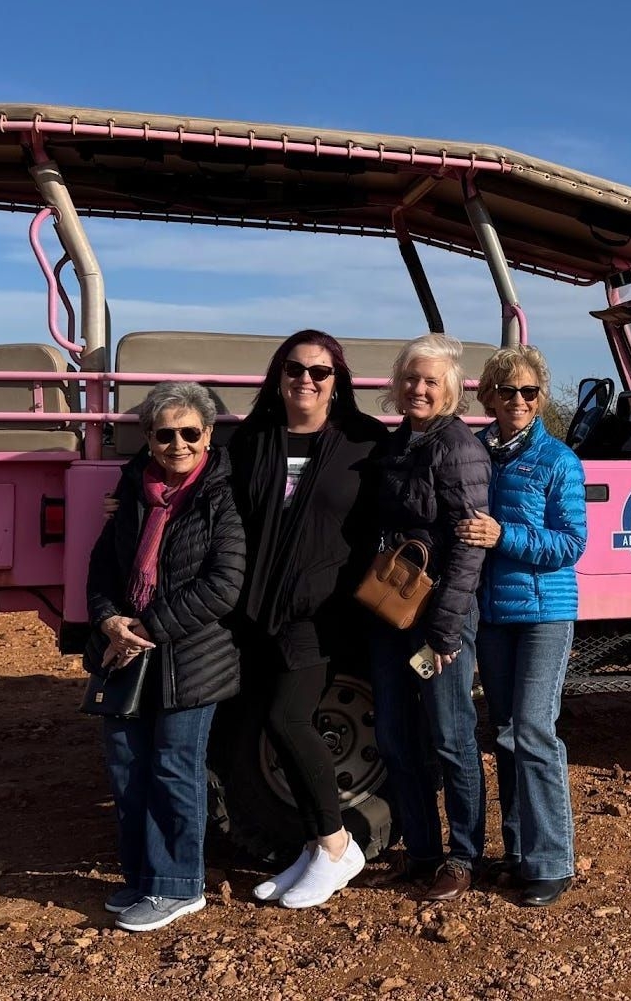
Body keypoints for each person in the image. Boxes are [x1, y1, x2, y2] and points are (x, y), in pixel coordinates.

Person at [228, 331, 389, 909]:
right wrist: (128, 495)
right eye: (295, 369)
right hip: (258, 609)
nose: (307, 380)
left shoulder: (365, 441)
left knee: (288, 718)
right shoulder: (251, 440)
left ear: (337, 381)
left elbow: (411, 500)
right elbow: (204, 495)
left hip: (325, 610)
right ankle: (314, 847)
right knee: (273, 726)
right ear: (278, 375)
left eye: (320, 372)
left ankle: (337, 842)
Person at [86, 381, 245, 933]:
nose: (176, 443)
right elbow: (103, 567)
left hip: (191, 658)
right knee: (128, 768)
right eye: (164, 433)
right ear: (149, 439)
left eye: (189, 432)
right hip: (126, 652)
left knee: (175, 768)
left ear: (207, 437)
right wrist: (109, 619)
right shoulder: (132, 493)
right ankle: (140, 876)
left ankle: (178, 887)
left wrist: (144, 627)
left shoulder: (223, 495)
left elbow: (224, 585)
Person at [456, 346, 586, 907]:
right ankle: (518, 852)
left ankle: (553, 859)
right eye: (507, 391)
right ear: (487, 395)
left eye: (529, 392)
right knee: (505, 734)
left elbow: (571, 543)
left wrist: (502, 536)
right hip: (492, 615)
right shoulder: (474, 454)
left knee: (533, 731)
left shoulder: (558, 460)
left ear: (539, 398)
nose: (518, 400)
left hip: (543, 614)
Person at [371, 333, 491, 902]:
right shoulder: (399, 443)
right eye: (411, 378)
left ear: (451, 391)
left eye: (430, 381)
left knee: (449, 735)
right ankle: (421, 850)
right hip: (391, 613)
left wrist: (445, 629)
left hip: (438, 621)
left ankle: (463, 856)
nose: (418, 388)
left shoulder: (458, 449)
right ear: (397, 384)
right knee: (396, 734)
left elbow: (469, 548)